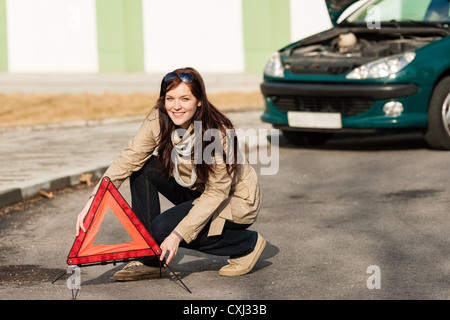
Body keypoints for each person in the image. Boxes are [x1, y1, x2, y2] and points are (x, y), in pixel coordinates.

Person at [75, 67, 265, 280]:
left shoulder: (218, 134)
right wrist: (95, 199)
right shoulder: (159, 118)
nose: (176, 106)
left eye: (185, 99)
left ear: (199, 100)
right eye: (170, 98)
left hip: (233, 199)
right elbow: (129, 157)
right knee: (144, 168)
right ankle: (151, 261)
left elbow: (216, 193)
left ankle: (247, 244)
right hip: (196, 190)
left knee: (164, 229)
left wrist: (177, 235)